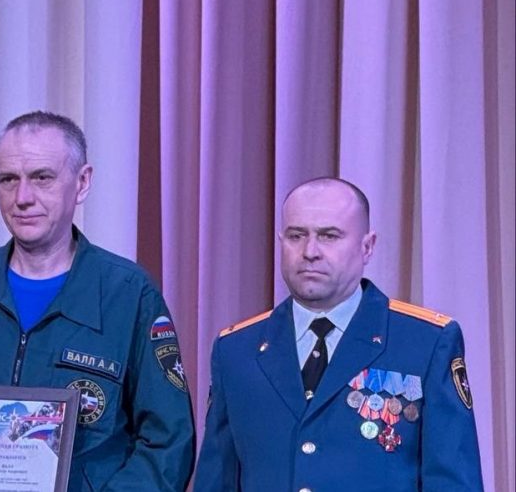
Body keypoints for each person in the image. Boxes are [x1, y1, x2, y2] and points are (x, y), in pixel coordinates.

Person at [0, 111, 195, 491]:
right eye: (8, 179)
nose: (22, 198)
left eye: (42, 178)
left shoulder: (129, 295)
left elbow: (167, 442)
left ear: (82, 182)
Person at [195, 177, 483, 491]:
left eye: (329, 236)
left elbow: (454, 481)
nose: (310, 251)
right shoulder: (236, 349)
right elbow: (216, 480)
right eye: (296, 236)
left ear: (367, 247)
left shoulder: (426, 342)